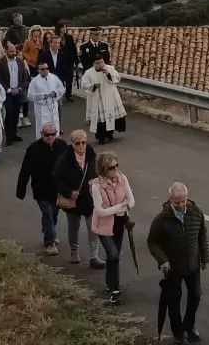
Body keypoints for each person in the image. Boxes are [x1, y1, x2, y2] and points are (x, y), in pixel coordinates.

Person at [147, 181, 208, 345]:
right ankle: (178, 333)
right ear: (170, 200)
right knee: (173, 300)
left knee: (195, 295)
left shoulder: (196, 212)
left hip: (193, 264)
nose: (181, 205)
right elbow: (152, 242)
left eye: (183, 201)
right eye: (177, 202)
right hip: (173, 267)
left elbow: (202, 235)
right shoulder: (162, 219)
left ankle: (189, 325)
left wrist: (205, 257)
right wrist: (163, 260)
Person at [89, 151, 136, 303]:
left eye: (116, 166)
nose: (115, 170)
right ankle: (113, 287)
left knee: (113, 256)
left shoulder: (123, 179)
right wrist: (119, 207)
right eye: (111, 167)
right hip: (103, 225)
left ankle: (112, 285)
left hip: (119, 222)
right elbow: (100, 210)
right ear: (103, 169)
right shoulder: (96, 186)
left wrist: (120, 207)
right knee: (113, 254)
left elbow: (132, 201)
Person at [16, 121, 67, 255]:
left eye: (53, 134)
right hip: (41, 189)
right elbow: (25, 170)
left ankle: (48, 231)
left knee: (54, 215)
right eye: (47, 134)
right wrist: (20, 190)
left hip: (56, 189)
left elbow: (69, 166)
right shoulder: (33, 149)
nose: (50, 137)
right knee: (48, 214)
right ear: (41, 134)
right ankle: (49, 241)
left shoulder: (62, 146)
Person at [53, 128, 97, 264]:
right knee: (74, 227)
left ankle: (94, 256)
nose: (81, 146)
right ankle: (74, 252)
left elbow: (96, 172)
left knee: (93, 227)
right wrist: (68, 192)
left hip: (89, 198)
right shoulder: (65, 159)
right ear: (72, 143)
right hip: (73, 200)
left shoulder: (91, 155)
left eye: (83, 142)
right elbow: (55, 179)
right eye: (77, 143)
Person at [78, 55, 126, 144]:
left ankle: (110, 134)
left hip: (110, 97)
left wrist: (108, 74)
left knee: (112, 117)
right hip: (97, 99)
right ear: (94, 64)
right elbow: (84, 85)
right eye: (98, 63)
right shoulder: (89, 73)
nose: (100, 65)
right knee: (101, 120)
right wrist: (93, 86)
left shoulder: (110, 68)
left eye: (101, 62)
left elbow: (117, 78)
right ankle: (101, 137)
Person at [0, 46, 30, 146]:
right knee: (9, 113)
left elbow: (24, 77)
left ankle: (14, 134)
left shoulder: (20, 61)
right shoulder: (0, 62)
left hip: (18, 91)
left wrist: (20, 88)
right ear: (6, 51)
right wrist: (8, 89)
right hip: (7, 92)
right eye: (11, 52)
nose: (13, 53)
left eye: (14, 51)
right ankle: (8, 137)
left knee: (16, 113)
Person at [27, 57, 65, 136]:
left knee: (55, 126)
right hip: (41, 108)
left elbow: (62, 88)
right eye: (43, 69)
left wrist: (55, 93)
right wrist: (43, 96)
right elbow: (30, 95)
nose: (45, 70)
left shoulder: (54, 77)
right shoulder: (35, 81)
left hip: (53, 106)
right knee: (42, 128)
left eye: (47, 68)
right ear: (38, 70)